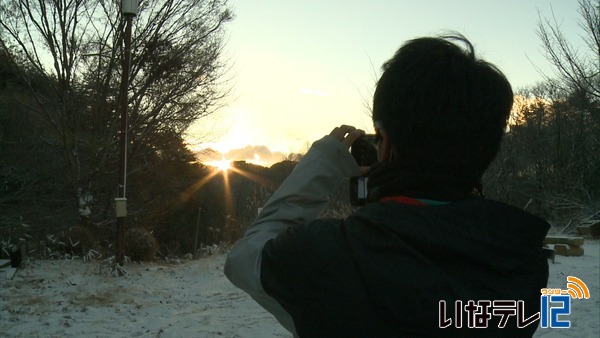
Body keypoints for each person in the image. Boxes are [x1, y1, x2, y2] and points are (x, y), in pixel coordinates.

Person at [225, 34, 550, 337]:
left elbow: (243, 259)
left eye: (378, 136)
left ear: (389, 141)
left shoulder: (328, 257)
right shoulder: (521, 262)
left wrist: (323, 162)